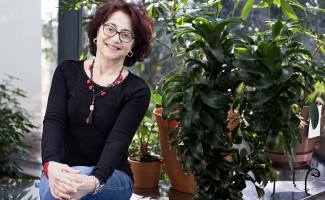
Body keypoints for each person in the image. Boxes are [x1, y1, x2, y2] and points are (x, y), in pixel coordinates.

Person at [39, 1, 154, 199]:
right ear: (97, 32)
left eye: (126, 34)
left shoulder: (137, 90)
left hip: (110, 177)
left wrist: (94, 181)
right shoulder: (67, 71)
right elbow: (53, 121)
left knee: (66, 188)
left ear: (133, 45)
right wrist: (52, 165)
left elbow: (118, 140)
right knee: (59, 188)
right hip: (61, 170)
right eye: (110, 28)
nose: (115, 38)